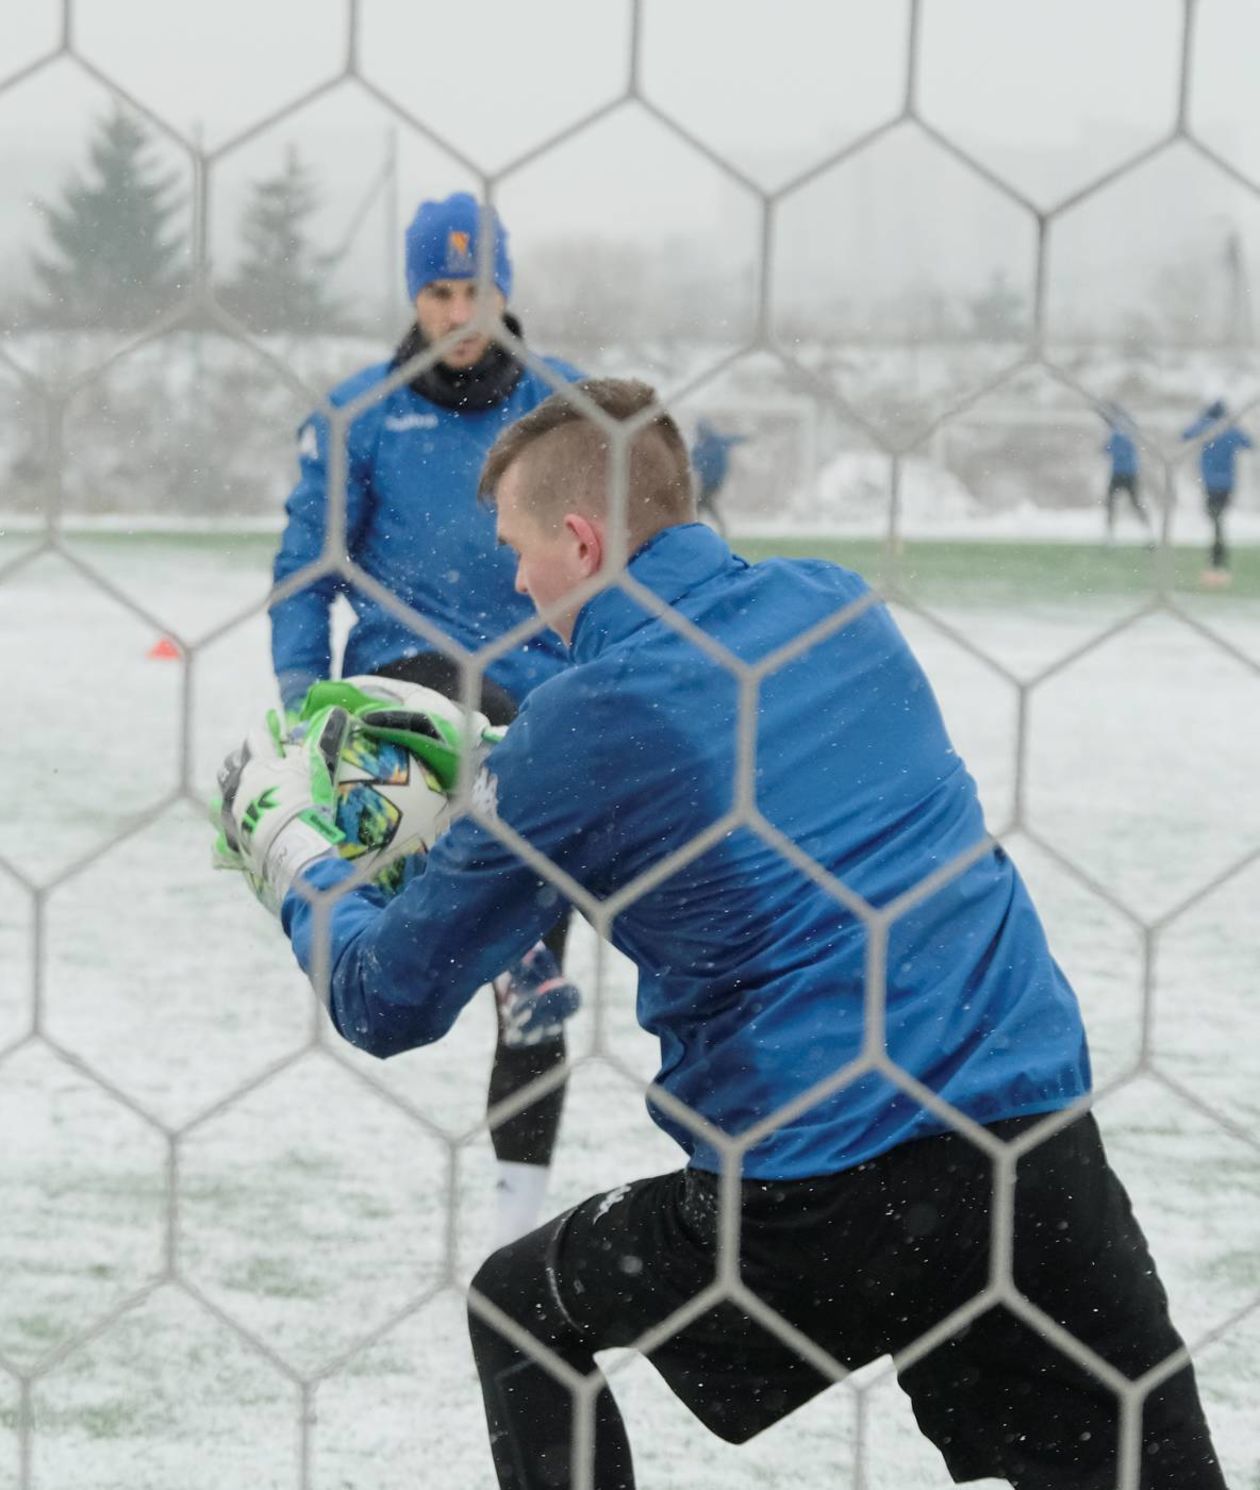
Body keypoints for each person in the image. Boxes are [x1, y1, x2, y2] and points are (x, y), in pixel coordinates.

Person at [223, 378, 1226, 1489]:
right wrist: (509, 755)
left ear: (582, 536)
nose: (511, 578)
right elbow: (703, 717)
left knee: (523, 1310)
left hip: (822, 1192)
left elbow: (387, 997)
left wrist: (292, 856)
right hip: (1028, 1140)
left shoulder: (585, 728)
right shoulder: (842, 605)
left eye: (516, 547)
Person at [267, 190, 586, 1247]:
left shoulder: (565, 413)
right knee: (469, 730)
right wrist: (299, 707)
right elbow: (304, 575)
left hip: (541, 718)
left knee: (537, 985)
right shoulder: (359, 414)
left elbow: (627, 566)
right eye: (440, 291)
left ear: (506, 292)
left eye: (477, 289)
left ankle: (515, 1221)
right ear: (416, 295)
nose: (460, 311)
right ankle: (499, 931)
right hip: (397, 702)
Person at [1182, 398, 1253, 587]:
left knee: (1216, 521)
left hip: (1210, 483)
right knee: (1217, 521)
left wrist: (1203, 420)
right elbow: (1249, 443)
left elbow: (1185, 434)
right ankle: (1217, 561)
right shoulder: (1229, 430)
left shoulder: (1207, 428)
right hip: (1227, 485)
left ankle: (1217, 562)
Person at [1101, 404, 1154, 545]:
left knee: (1128, 504)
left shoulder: (1122, 431)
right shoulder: (1124, 430)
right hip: (1124, 473)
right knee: (1122, 504)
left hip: (1125, 473)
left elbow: (1108, 450)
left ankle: (1147, 534)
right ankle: (1111, 536)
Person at [688, 417, 747, 535]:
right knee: (704, 503)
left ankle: (698, 527)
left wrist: (748, 437)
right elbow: (692, 462)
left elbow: (735, 439)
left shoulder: (715, 443)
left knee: (703, 503)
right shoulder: (703, 447)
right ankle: (704, 527)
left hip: (714, 481)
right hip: (709, 481)